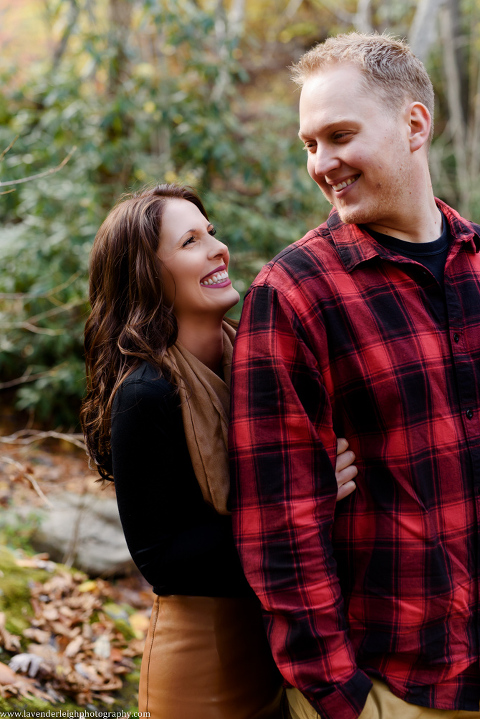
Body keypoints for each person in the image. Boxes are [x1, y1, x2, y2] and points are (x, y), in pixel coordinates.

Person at [229, 32, 480, 719]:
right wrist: (338, 694)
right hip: (392, 687)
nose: (321, 163)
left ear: (414, 124)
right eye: (310, 144)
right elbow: (279, 524)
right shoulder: (293, 294)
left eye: (339, 135)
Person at [80, 183, 358, 718]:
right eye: (190, 241)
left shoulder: (255, 362)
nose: (217, 248)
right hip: (203, 667)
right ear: (146, 273)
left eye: (212, 232)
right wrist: (309, 498)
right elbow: (164, 560)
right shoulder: (146, 393)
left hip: (282, 648)